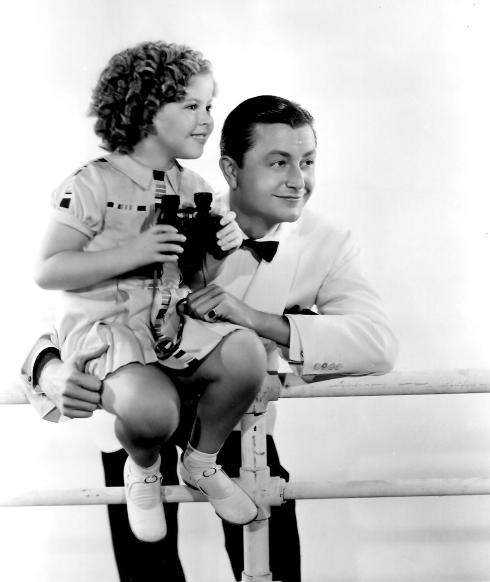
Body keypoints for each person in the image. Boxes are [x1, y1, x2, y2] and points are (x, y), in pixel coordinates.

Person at [21, 95, 398, 581]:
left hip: (235, 424)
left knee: (274, 561)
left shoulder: (327, 242)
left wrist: (258, 321)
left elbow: (377, 344)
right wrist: (50, 368)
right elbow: (63, 306)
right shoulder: (168, 212)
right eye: (278, 162)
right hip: (141, 420)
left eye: (307, 162)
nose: (298, 180)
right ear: (230, 170)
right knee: (147, 573)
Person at [32, 39, 258, 545]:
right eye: (192, 106)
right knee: (153, 412)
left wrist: (219, 250)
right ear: (146, 108)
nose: (207, 120)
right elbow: (48, 270)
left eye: (209, 106)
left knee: (245, 355)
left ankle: (201, 461)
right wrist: (132, 252)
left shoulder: (193, 184)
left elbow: (195, 280)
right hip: (110, 333)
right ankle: (144, 465)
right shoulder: (91, 184)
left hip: (168, 328)